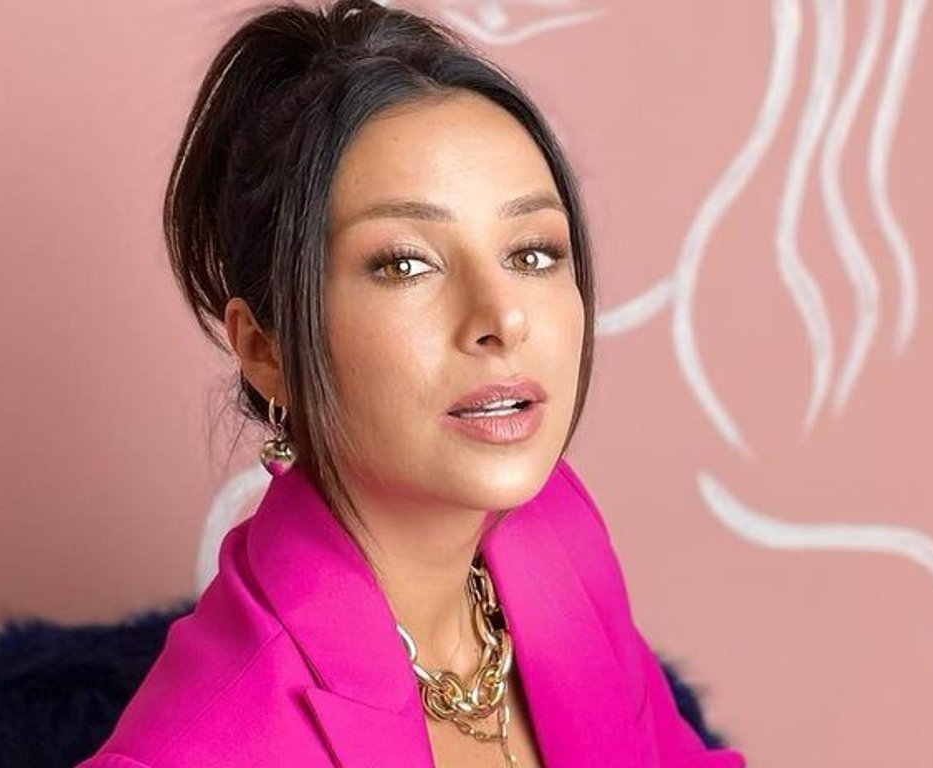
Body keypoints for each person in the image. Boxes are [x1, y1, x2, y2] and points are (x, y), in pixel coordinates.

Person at [79, 1, 746, 766]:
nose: (502, 318)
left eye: (532, 253)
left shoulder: (554, 541)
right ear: (268, 352)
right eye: (405, 263)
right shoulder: (202, 745)